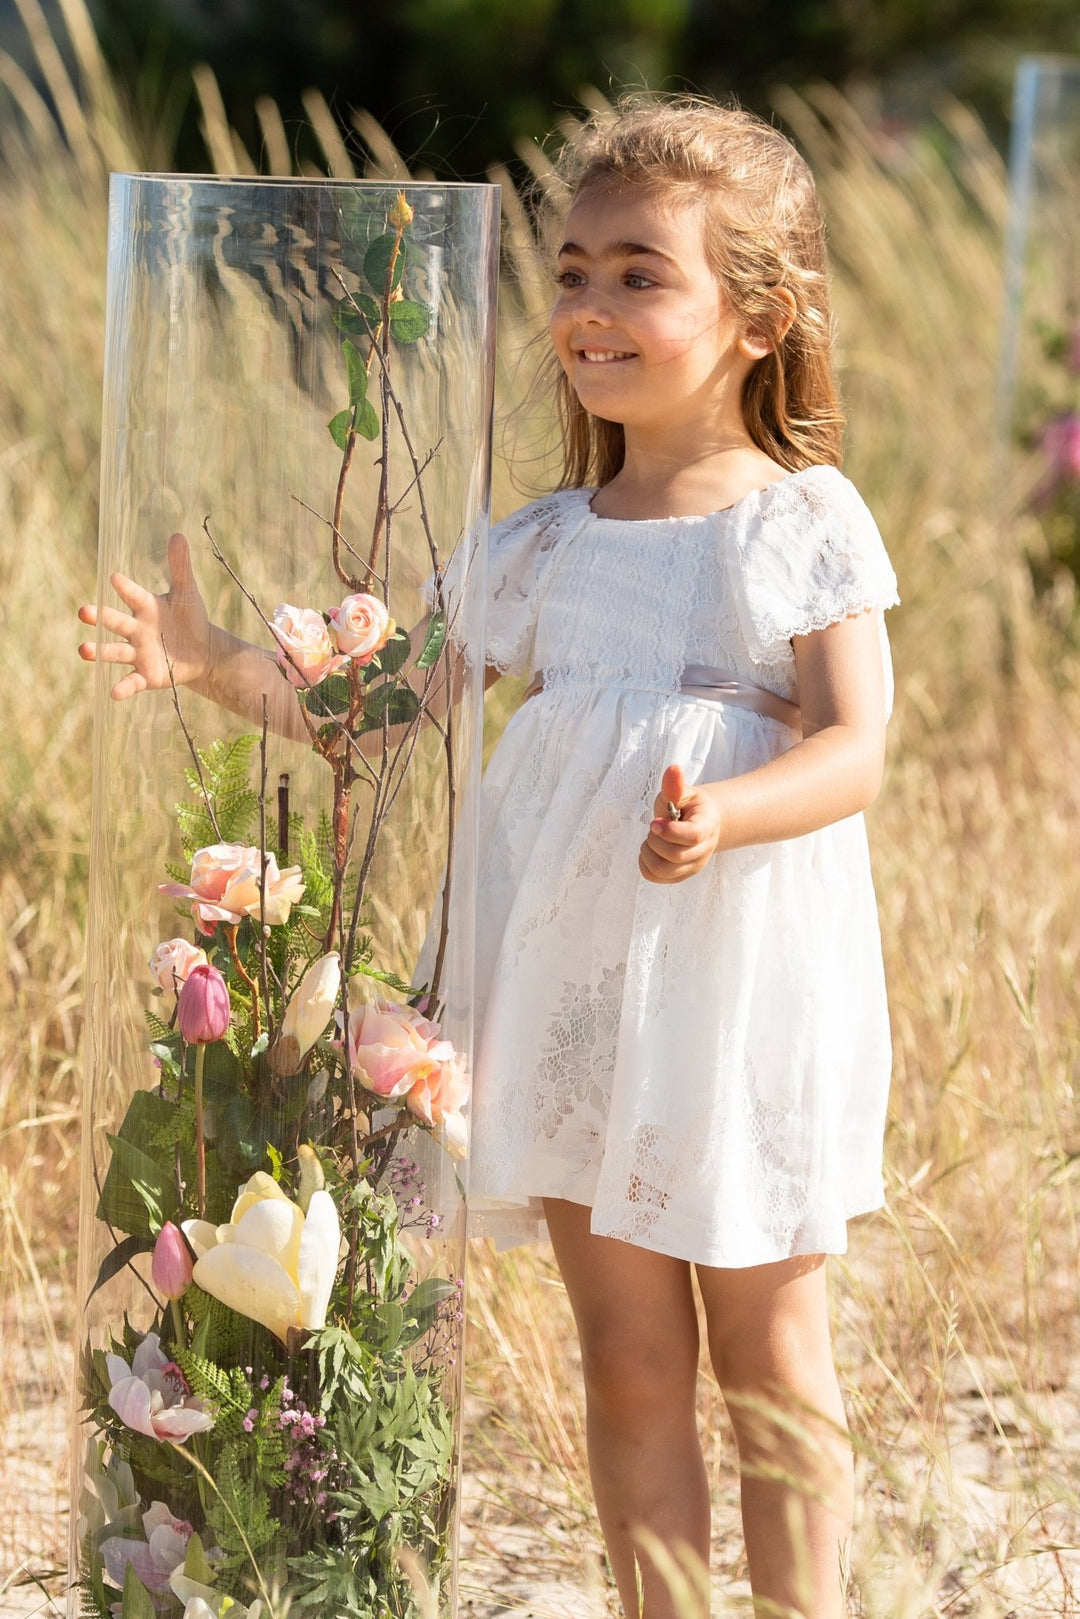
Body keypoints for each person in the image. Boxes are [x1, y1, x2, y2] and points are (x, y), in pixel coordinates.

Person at [79, 96, 899, 1619]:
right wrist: (211, 664)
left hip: (738, 995)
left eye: (640, 273)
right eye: (572, 271)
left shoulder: (797, 521)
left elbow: (855, 745)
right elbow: (379, 711)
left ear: (760, 318)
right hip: (578, 1000)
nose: (589, 304)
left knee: (773, 1354)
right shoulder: (540, 543)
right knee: (629, 1357)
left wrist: (728, 815)